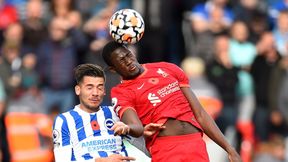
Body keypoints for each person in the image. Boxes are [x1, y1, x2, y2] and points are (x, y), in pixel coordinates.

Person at [101, 41, 242, 162]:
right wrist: (128, 128)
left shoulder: (167, 68)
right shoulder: (122, 91)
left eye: (128, 55)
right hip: (166, 148)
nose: (128, 61)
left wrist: (230, 149)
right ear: (113, 69)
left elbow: (200, 113)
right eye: (121, 60)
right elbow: (136, 127)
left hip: (195, 142)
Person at [52, 63, 144, 162]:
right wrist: (100, 161)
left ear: (104, 90)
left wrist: (147, 135)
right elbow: (62, 160)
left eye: (99, 88)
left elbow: (140, 142)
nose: (95, 93)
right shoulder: (64, 120)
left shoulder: (115, 112)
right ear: (78, 90)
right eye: (89, 88)